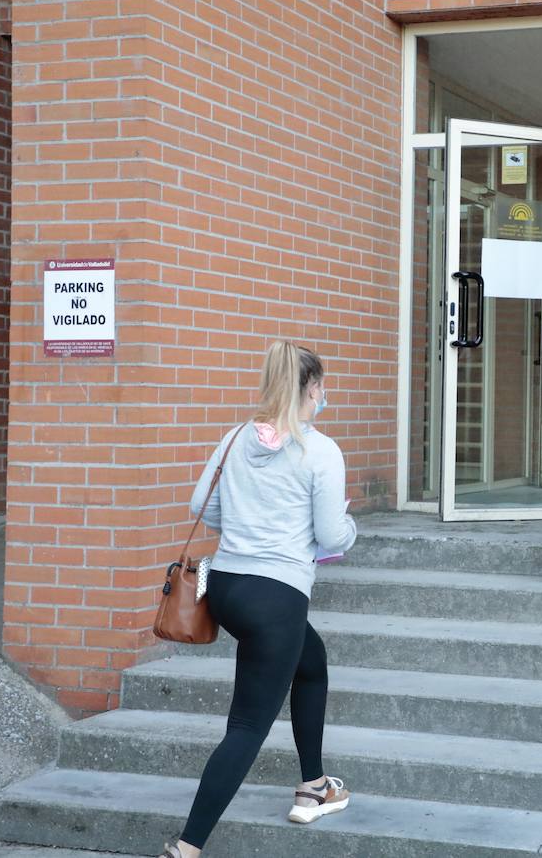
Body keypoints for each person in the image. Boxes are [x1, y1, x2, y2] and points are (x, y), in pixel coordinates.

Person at [160, 341, 358, 858]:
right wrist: (350, 527)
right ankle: (187, 847)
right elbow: (332, 536)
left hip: (227, 589)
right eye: (322, 386)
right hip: (276, 597)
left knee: (310, 663)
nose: (324, 394)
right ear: (312, 388)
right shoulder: (320, 450)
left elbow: (203, 506)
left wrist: (249, 520)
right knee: (247, 726)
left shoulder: (234, 438)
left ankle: (314, 786)